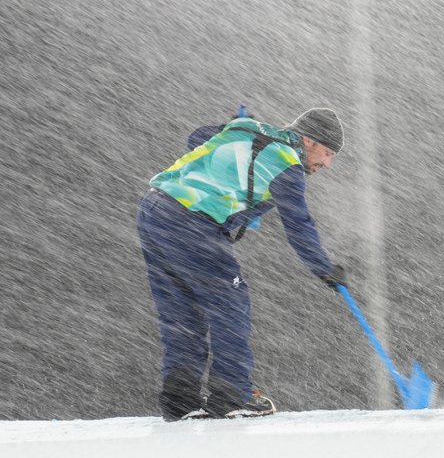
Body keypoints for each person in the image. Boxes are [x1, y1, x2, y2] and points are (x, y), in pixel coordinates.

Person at [136, 107, 350, 420]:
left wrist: (237, 133)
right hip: (193, 222)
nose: (327, 164)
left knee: (182, 312)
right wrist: (324, 268)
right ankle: (232, 395)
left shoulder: (249, 131)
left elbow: (196, 137)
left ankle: (180, 400)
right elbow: (298, 224)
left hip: (154, 211)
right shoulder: (286, 163)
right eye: (327, 153)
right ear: (308, 141)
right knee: (230, 306)